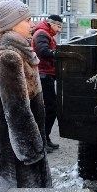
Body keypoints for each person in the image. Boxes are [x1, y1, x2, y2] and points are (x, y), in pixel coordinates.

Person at [0, 0, 51, 192]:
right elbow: (16, 109)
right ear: (12, 23)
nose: (32, 24)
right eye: (27, 20)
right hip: (17, 145)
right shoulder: (9, 56)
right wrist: (31, 151)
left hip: (19, 140)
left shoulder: (19, 51)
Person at [32, 14, 63, 152]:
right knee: (50, 109)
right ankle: (42, 141)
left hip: (45, 75)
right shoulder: (42, 33)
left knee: (50, 109)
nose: (59, 30)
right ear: (51, 24)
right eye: (59, 26)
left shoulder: (44, 33)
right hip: (43, 75)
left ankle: (45, 139)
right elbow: (43, 51)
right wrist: (59, 53)